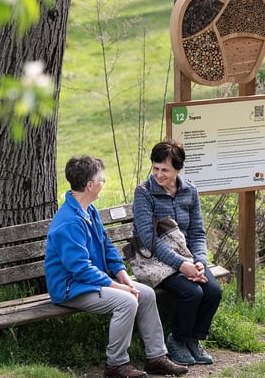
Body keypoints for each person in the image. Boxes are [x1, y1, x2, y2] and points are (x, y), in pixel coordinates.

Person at [45, 155, 188, 378]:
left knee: (146, 294)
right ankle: (116, 365)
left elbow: (107, 246)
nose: (103, 183)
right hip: (70, 288)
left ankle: (156, 357)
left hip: (91, 281)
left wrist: (126, 279)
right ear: (90, 185)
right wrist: (118, 287)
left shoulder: (88, 210)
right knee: (127, 301)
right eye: (101, 180)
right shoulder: (69, 222)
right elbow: (80, 269)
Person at [132, 139, 223, 366]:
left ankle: (192, 339)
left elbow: (197, 233)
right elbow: (148, 239)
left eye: (165, 170)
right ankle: (176, 341)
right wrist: (183, 265)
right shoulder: (144, 193)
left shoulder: (190, 191)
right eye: (155, 168)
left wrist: (200, 262)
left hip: (188, 259)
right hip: (155, 261)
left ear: (178, 169)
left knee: (213, 291)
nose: (159, 175)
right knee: (192, 292)